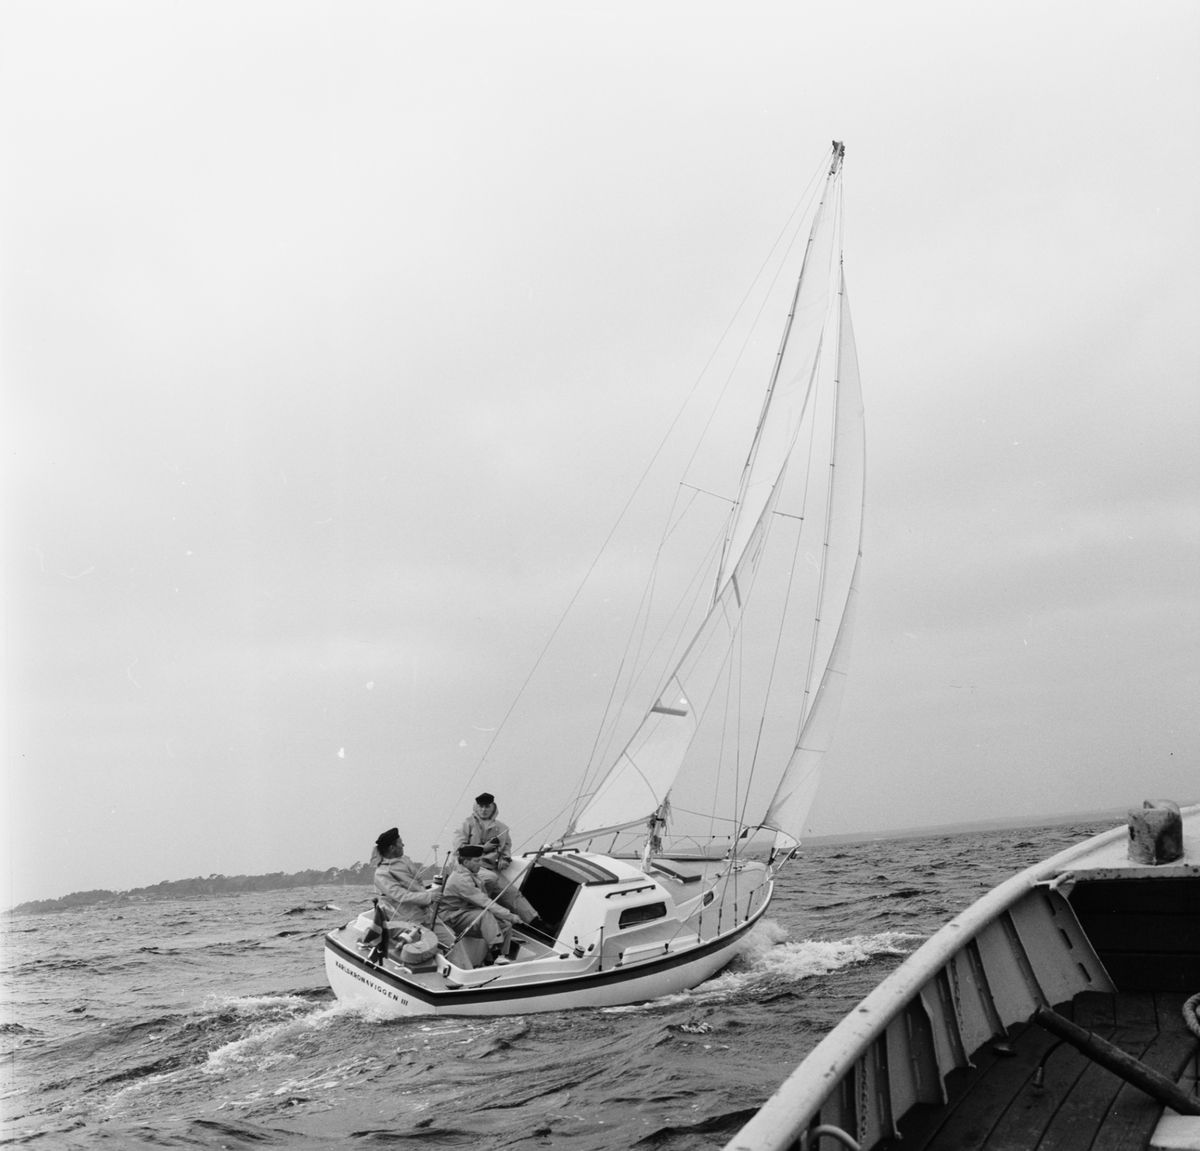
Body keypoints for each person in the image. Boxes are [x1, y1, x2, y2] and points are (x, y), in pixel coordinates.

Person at [452, 792, 538, 924]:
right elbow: (459, 849)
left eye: (487, 806)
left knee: (510, 892)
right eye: (481, 806)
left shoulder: (502, 828)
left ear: (493, 807)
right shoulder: (466, 824)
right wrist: (483, 848)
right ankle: (484, 917)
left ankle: (535, 922)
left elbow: (506, 846)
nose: (483, 810)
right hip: (467, 867)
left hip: (489, 867)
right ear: (476, 807)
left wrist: (505, 858)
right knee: (489, 879)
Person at [371, 828, 455, 951]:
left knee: (452, 941)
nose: (403, 845)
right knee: (428, 948)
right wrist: (429, 897)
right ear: (392, 848)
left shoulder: (405, 860)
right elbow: (401, 896)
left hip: (424, 915)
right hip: (404, 920)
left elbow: (419, 883)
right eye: (400, 842)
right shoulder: (382, 873)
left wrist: (428, 899)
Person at [438, 844, 521, 965]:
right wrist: (510, 915)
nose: (480, 864)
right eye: (477, 861)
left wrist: (507, 918)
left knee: (505, 925)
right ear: (466, 862)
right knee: (485, 915)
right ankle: (495, 954)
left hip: (466, 913)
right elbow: (484, 902)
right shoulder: (461, 879)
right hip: (453, 916)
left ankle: (500, 957)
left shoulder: (471, 875)